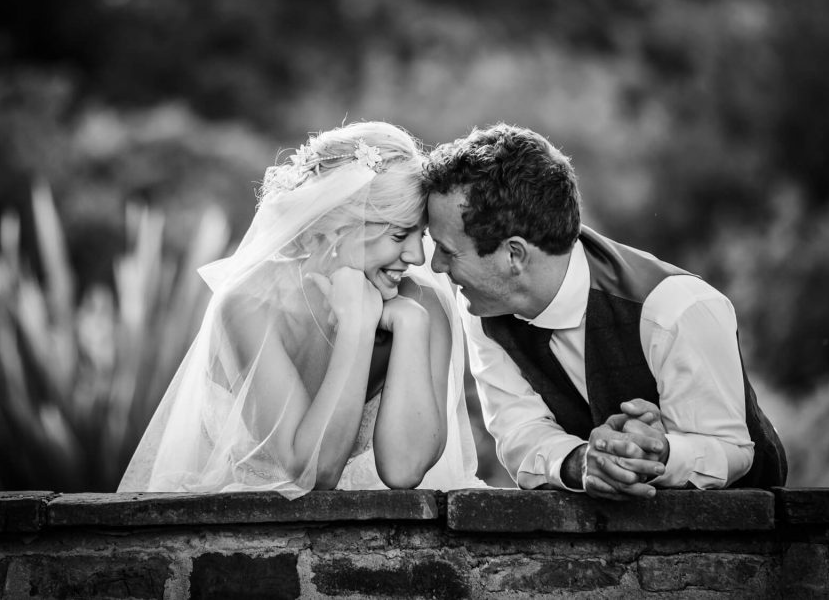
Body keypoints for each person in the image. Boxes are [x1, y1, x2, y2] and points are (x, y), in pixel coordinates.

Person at [423, 123, 786, 500]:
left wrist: (659, 452)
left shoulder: (675, 308)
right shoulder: (484, 309)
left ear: (514, 254)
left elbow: (733, 450)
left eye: (447, 251)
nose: (434, 265)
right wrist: (581, 462)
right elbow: (519, 434)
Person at [119, 122, 481, 497]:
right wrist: (356, 326)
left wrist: (410, 325)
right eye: (397, 234)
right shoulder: (250, 306)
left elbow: (405, 470)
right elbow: (314, 472)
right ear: (336, 224)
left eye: (418, 234)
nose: (417, 256)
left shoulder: (423, 307)